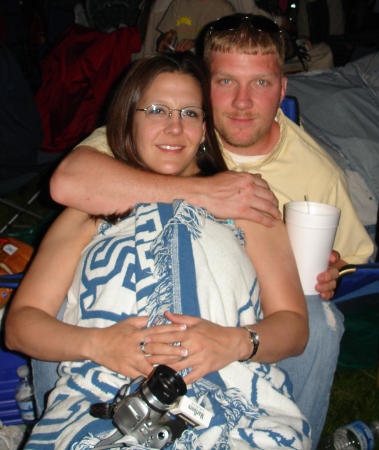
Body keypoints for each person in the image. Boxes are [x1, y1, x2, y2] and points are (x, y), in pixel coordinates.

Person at [49, 14, 373, 448]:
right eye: (225, 82)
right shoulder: (166, 132)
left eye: (260, 83)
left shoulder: (318, 174)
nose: (242, 103)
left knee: (320, 318)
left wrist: (332, 272)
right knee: (63, 293)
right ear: (205, 84)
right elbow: (68, 182)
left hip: (249, 306)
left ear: (283, 88)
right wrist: (203, 194)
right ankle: (62, 412)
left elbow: (351, 260)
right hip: (139, 306)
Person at [6, 52, 310, 449]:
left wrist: (237, 341)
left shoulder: (245, 205)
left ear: (204, 130)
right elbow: (20, 325)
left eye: (189, 113)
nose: (174, 127)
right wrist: (96, 344)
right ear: (128, 121)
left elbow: (295, 325)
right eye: (156, 110)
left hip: (235, 402)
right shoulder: (89, 211)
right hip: (105, 403)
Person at [155, 0, 236, 53]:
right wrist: (164, 40)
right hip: (181, 65)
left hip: (207, 68)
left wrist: (197, 44)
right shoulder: (178, 3)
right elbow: (164, 37)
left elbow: (231, 44)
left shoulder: (225, 9)